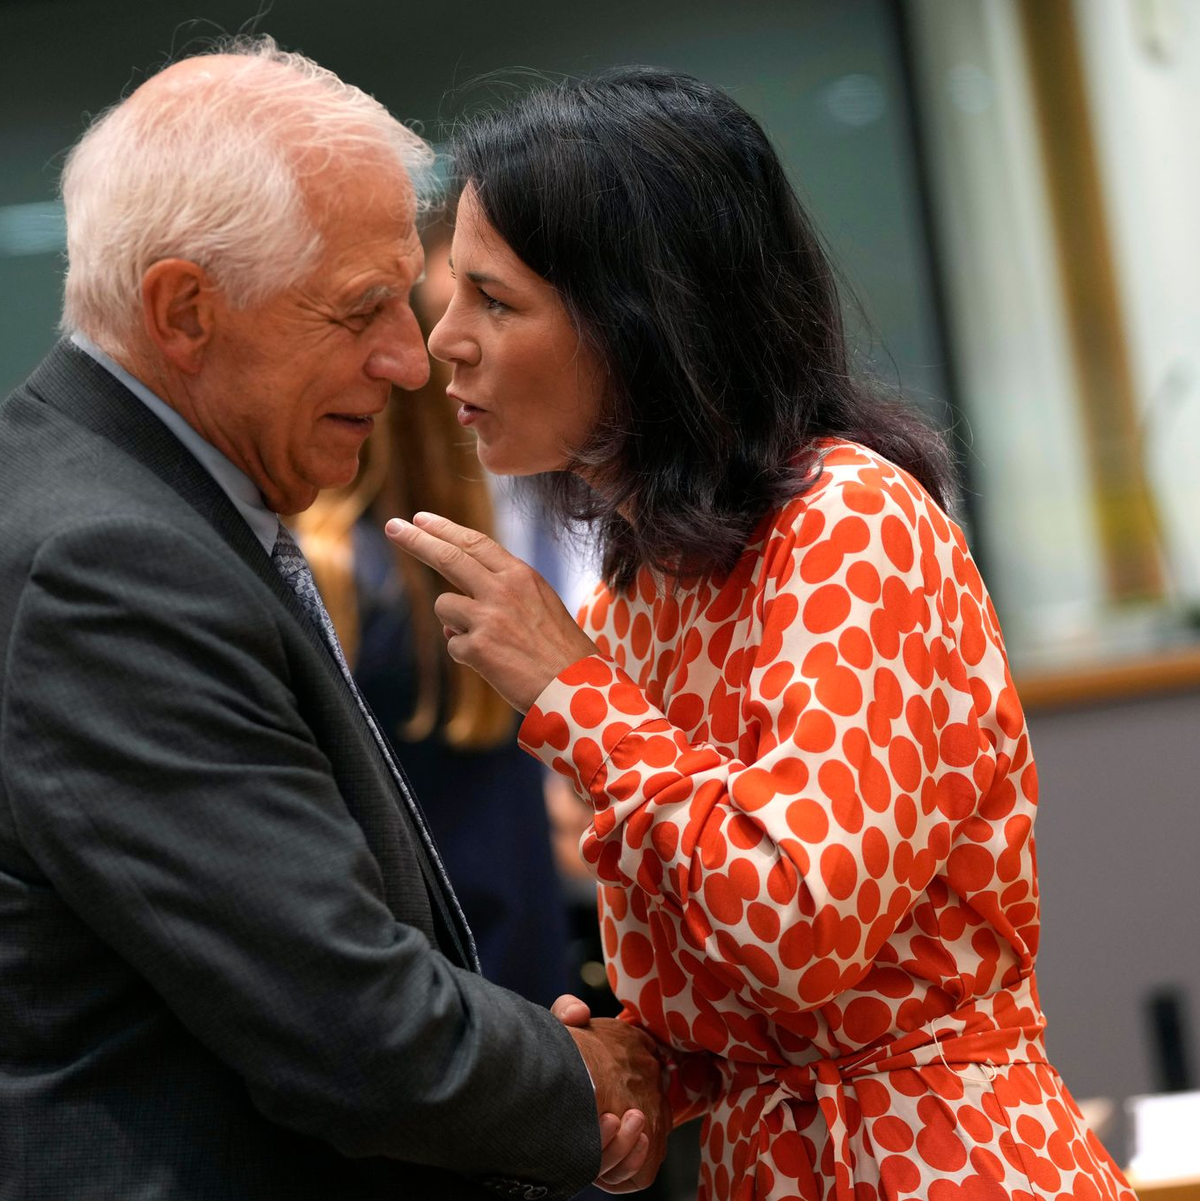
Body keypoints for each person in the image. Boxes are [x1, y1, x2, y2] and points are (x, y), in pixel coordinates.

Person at [387, 67, 1138, 1201]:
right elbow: (746, 998)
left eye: (494, 300)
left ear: (637, 315)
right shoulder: (644, 588)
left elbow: (797, 930)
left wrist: (577, 694)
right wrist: (646, 1070)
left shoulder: (850, 520)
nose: (445, 340)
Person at [0, 40, 669, 1200]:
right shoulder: (107, 566)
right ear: (185, 311)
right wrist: (587, 1075)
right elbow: (346, 1022)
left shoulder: (131, 508)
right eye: (363, 309)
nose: (413, 361)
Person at [289, 221, 573, 1008]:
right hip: (500, 992)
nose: (453, 340)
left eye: (498, 307)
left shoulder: (360, 578)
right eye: (453, 310)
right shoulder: (365, 578)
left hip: (448, 1004)